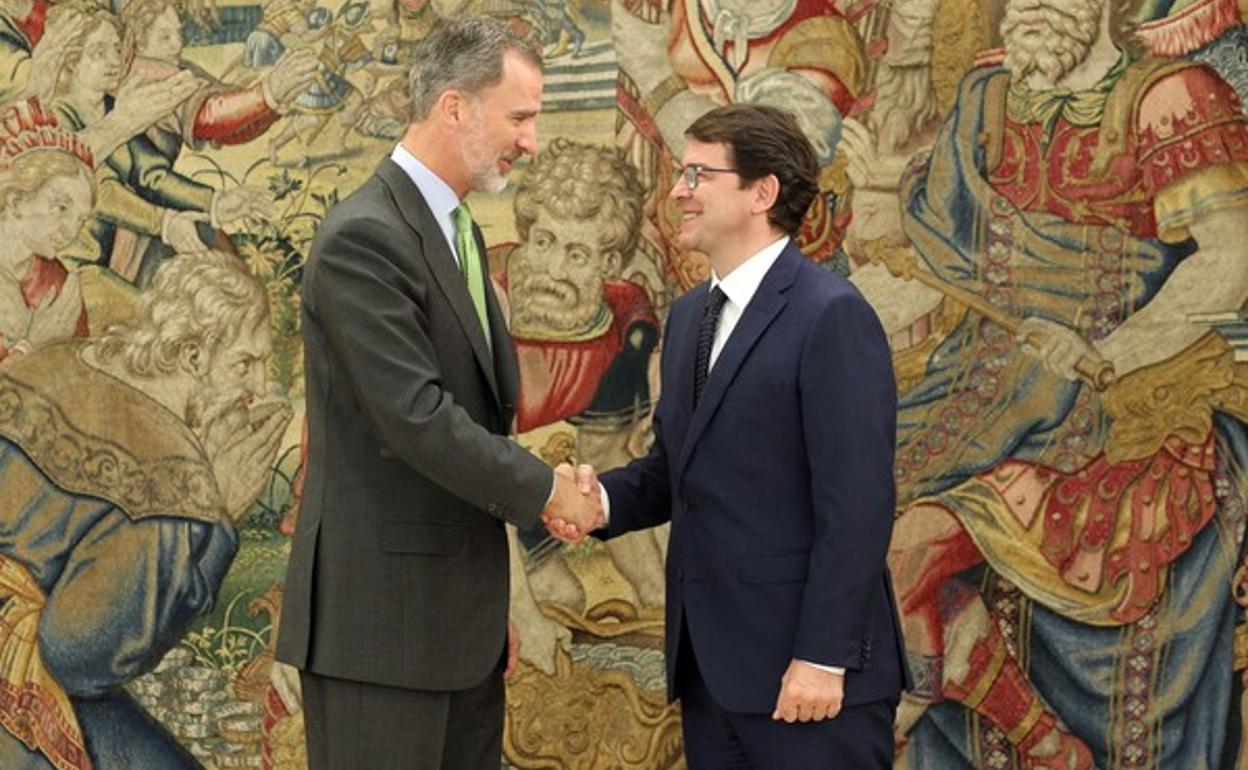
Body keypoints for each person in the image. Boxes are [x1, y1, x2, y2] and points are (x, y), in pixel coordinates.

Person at [855, 0, 1248, 766]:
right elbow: (932, 263)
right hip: (977, 389)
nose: (1026, 5)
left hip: (1113, 407)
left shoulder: (1171, 98)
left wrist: (1110, 351)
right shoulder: (986, 97)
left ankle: (1019, 744)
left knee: (907, 549)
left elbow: (1231, 257)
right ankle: (1039, 742)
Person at [274, 16, 601, 770]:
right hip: (380, 639)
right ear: (454, 107)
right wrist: (550, 490)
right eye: (520, 117)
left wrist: (491, 611)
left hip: (458, 633)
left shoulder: (458, 232)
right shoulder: (365, 236)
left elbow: (479, 417)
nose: (532, 141)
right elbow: (416, 421)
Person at [555, 103, 910, 769]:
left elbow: (858, 506)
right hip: (710, 677)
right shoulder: (690, 318)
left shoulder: (831, 316)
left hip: (806, 682)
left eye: (698, 175)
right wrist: (594, 500)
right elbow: (675, 473)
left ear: (762, 192)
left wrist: (821, 657)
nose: (677, 192)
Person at [0, 250, 291, 770]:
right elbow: (81, 658)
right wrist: (220, 519)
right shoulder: (168, 479)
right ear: (193, 355)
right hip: (20, 700)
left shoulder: (59, 361)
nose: (258, 386)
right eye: (245, 363)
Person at [0, 97, 95, 364]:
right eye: (61, 207)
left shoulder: (57, 282)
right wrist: (33, 345)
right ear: (16, 201)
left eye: (80, 220)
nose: (71, 231)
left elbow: (75, 378)